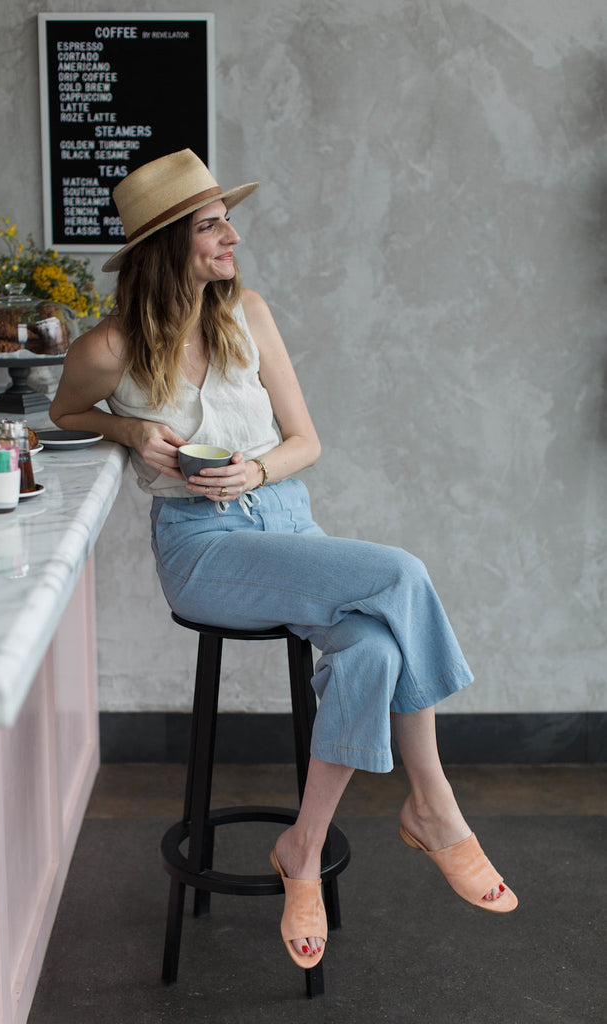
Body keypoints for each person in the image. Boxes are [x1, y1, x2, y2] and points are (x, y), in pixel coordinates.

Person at [50, 149, 518, 970]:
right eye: (210, 225)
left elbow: (306, 441)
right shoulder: (110, 346)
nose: (231, 235)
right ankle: (434, 804)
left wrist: (258, 468)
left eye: (227, 220)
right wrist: (130, 431)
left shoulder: (249, 313)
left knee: (373, 646)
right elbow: (66, 409)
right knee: (400, 573)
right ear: (167, 245)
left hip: (288, 523)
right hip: (203, 546)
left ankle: (302, 848)